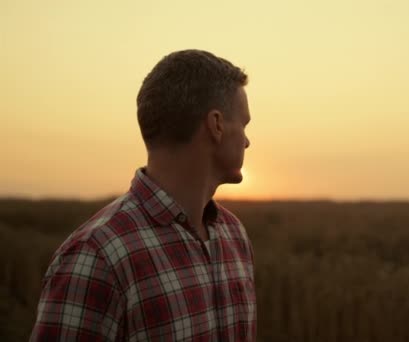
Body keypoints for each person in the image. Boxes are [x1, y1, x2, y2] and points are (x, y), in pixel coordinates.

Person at [30, 50, 256, 341]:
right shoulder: (97, 257)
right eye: (245, 125)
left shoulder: (233, 236)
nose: (248, 141)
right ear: (216, 125)